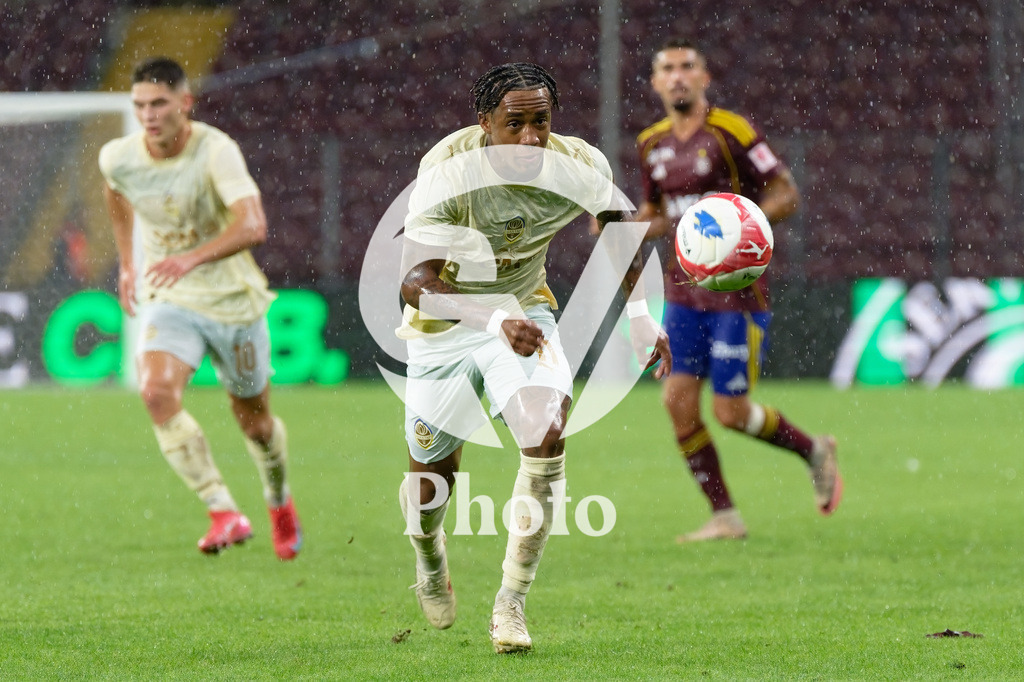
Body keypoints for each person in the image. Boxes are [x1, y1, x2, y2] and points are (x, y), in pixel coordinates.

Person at [397, 62, 671, 653]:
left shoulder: (579, 165)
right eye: (514, 124)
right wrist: (493, 319)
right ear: (485, 124)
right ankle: (428, 557)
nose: (529, 139)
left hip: (526, 308)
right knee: (429, 487)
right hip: (445, 323)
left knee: (546, 433)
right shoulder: (446, 171)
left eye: (540, 122)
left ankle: (510, 604)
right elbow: (414, 283)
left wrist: (643, 317)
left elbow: (620, 232)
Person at [634, 38, 842, 542]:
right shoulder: (650, 144)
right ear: (656, 83)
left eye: (688, 67)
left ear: (704, 78)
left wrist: (743, 224)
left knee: (729, 412)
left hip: (736, 293)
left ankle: (813, 449)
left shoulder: (731, 131)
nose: (679, 76)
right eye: (668, 69)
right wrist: (622, 225)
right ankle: (724, 516)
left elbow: (786, 193)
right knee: (676, 401)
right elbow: (660, 215)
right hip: (682, 293)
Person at [99, 57, 302, 560]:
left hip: (234, 303)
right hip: (173, 301)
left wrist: (188, 258)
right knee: (155, 392)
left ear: (184, 103)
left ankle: (278, 501)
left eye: (160, 103)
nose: (148, 114)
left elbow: (253, 225)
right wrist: (128, 262)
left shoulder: (216, 151)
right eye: (140, 105)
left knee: (254, 423)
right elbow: (115, 191)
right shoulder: (118, 156)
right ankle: (223, 510)